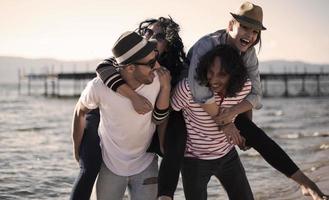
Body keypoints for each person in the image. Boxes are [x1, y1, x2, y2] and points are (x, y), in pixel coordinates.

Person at [186, 2, 328, 200]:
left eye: (255, 32)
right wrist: (227, 124)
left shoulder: (249, 54)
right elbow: (199, 92)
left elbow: (255, 95)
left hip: (224, 115)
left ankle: (306, 183)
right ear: (230, 25)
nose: (250, 35)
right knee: (176, 140)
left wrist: (244, 125)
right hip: (190, 117)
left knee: (256, 134)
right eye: (244, 27)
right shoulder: (206, 45)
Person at [69, 17, 187, 200]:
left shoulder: (162, 76)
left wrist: (165, 88)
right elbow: (83, 106)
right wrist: (77, 147)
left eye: (160, 36)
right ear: (130, 68)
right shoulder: (101, 85)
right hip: (110, 164)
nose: (156, 65)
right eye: (148, 33)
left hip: (145, 163)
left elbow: (161, 117)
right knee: (89, 166)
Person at [172, 44, 254, 200]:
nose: (214, 79)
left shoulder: (244, 87)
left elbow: (247, 104)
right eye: (211, 72)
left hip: (227, 154)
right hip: (194, 159)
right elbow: (170, 111)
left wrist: (244, 134)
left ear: (234, 75)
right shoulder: (187, 89)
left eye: (222, 74)